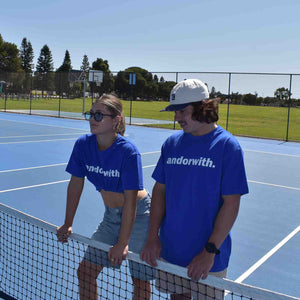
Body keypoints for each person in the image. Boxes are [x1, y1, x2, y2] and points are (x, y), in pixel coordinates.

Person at [140, 79, 249, 299]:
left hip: (209, 259)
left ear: (203, 107)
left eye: (182, 111)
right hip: (171, 252)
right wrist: (152, 237)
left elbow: (231, 203)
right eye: (174, 112)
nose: (176, 118)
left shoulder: (228, 147)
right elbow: (159, 191)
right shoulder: (171, 144)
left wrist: (209, 252)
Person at [57, 94, 152, 300]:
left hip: (139, 215)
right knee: (85, 272)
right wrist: (67, 223)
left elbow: (130, 201)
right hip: (111, 217)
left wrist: (123, 242)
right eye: (91, 114)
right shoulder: (83, 145)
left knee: (140, 280)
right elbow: (75, 184)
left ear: (116, 120)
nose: (92, 119)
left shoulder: (128, 153)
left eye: (99, 115)